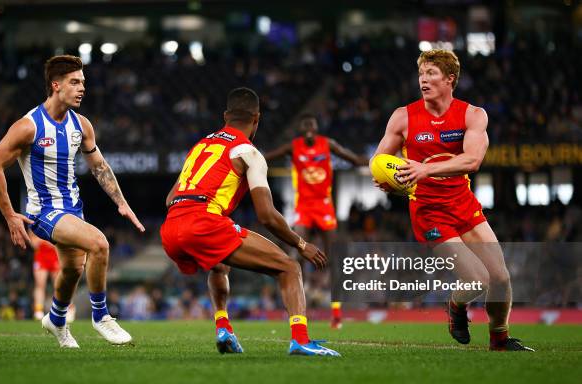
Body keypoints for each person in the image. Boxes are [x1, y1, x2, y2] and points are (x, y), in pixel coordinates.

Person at [372, 49, 533, 351]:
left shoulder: (473, 115)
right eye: (421, 74)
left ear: (450, 79)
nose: (424, 80)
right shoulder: (403, 117)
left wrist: (423, 169)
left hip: (464, 205)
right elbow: (380, 160)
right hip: (429, 211)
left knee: (500, 278)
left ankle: (499, 338)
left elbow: (472, 161)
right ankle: (455, 306)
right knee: (477, 280)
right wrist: (390, 180)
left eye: (431, 74)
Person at [160, 87, 339, 356]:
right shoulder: (249, 152)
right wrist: (302, 245)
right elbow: (266, 215)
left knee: (219, 265)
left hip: (170, 228)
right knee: (289, 267)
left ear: (225, 116)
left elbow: (170, 197)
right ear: (257, 119)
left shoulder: (202, 144)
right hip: (202, 222)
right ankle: (300, 339)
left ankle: (223, 327)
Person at [0, 55, 145, 348]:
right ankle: (102, 316)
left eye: (83, 82)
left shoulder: (82, 125)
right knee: (99, 244)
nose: (82, 88)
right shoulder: (28, 126)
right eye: (75, 82)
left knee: (73, 269)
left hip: (72, 209)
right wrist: (10, 216)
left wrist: (121, 202)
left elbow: (99, 166)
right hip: (42, 212)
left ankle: (56, 320)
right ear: (55, 85)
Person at [264, 114, 367, 329]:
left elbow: (354, 159)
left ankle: (336, 314)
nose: (309, 127)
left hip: (324, 207)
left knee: (334, 258)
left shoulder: (327, 144)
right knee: (297, 253)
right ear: (300, 129)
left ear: (317, 127)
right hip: (304, 208)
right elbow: (267, 157)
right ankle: (298, 307)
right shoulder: (293, 147)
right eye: (305, 124)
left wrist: (379, 162)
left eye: (312, 124)